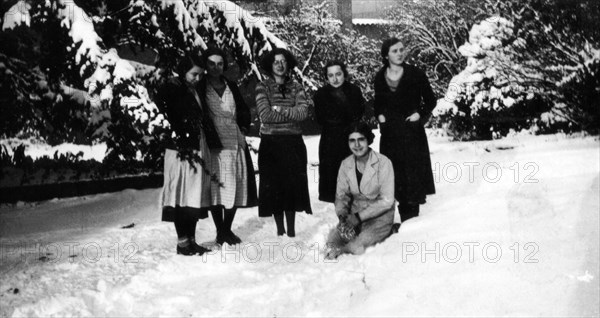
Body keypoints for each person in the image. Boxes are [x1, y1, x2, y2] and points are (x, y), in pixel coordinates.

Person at [156, 55, 222, 256]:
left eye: (200, 75)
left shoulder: (194, 90)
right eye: (194, 74)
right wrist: (175, 135)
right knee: (181, 195)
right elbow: (164, 117)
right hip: (180, 150)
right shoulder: (171, 88)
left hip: (197, 146)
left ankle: (192, 240)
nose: (197, 78)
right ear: (183, 71)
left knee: (193, 195)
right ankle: (183, 242)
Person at [199, 47, 258, 245]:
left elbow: (242, 109)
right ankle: (220, 230)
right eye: (211, 64)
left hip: (234, 141)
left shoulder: (230, 85)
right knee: (217, 188)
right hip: (214, 143)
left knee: (234, 185)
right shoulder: (201, 86)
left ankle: (226, 229)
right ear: (205, 65)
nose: (216, 68)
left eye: (220, 64)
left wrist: (242, 127)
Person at [374, 37, 436, 222]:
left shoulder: (416, 74)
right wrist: (381, 117)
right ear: (386, 55)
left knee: (412, 180)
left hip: (412, 134)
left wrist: (420, 115)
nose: (400, 53)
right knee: (395, 178)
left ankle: (412, 222)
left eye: (401, 49)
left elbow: (431, 100)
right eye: (395, 51)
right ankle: (401, 219)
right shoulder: (379, 76)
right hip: (391, 135)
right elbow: (378, 104)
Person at [255, 48, 312, 237]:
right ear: (270, 65)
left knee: (292, 187)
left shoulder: (297, 87)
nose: (280, 65)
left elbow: (303, 113)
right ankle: (280, 229)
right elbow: (265, 115)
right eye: (276, 61)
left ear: (288, 64)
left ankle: (292, 230)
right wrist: (289, 113)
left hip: (293, 143)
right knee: (275, 187)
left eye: (283, 61)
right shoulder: (262, 87)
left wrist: (279, 108)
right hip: (271, 144)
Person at [325, 122, 395, 259]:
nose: (356, 145)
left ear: (368, 139)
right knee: (332, 240)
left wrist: (358, 218)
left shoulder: (384, 162)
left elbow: (387, 200)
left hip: (380, 217)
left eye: (361, 139)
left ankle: (391, 230)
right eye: (352, 140)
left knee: (358, 247)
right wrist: (343, 217)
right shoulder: (346, 164)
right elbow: (341, 195)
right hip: (354, 216)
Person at [314, 60, 365, 203]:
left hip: (351, 141)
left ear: (344, 74)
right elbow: (321, 118)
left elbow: (359, 113)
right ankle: (342, 220)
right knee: (334, 186)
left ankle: (357, 221)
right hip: (330, 144)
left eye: (338, 74)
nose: (335, 79)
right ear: (326, 77)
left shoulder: (354, 91)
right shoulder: (321, 94)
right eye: (330, 75)